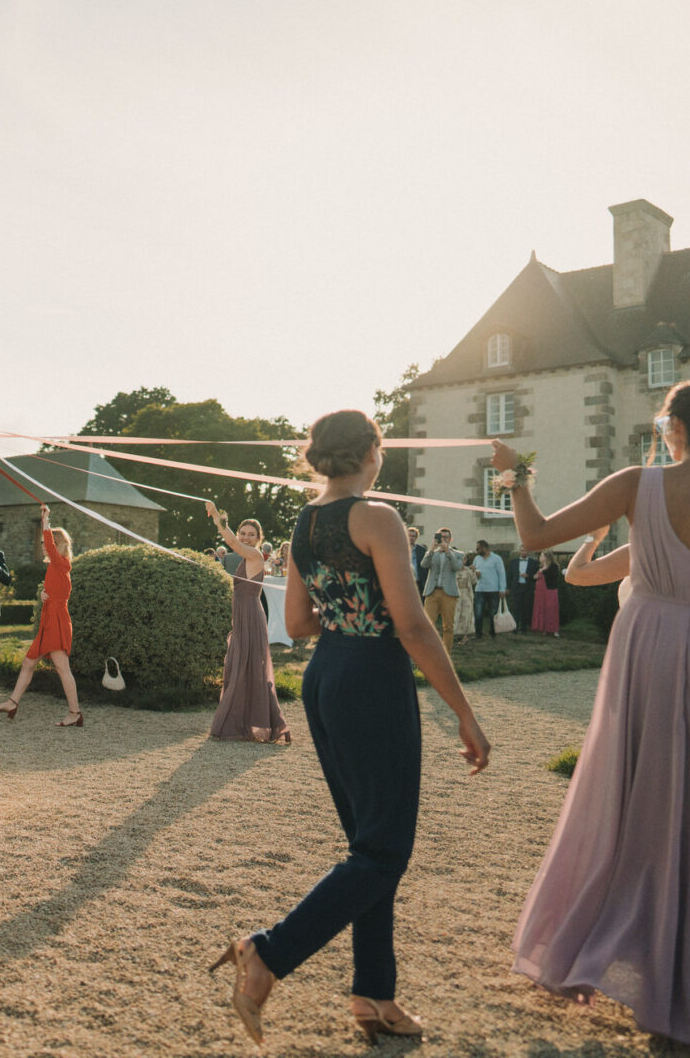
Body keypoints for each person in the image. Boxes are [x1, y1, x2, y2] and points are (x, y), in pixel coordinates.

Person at [212, 409, 489, 1046]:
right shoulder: (378, 517)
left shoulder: (303, 526)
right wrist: (464, 712)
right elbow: (414, 625)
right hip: (371, 679)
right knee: (384, 849)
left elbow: (301, 623)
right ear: (370, 451)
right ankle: (267, 953)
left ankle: (373, 995)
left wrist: (347, 612)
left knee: (370, 848)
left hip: (326, 675)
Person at [499, 377, 690, 1048]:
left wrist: (515, 477)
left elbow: (534, 534)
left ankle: (637, 945)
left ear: (674, 428)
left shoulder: (639, 483)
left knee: (643, 797)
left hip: (651, 648)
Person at [204, 505, 290, 743]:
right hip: (242, 615)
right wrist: (221, 522)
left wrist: (218, 520)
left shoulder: (254, 555)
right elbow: (233, 542)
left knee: (247, 665)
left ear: (259, 538)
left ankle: (256, 723)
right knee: (242, 665)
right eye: (244, 533)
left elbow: (231, 543)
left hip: (250, 615)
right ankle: (244, 722)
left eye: (251, 534)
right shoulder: (245, 555)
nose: (246, 537)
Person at [0, 504, 83, 727]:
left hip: (56, 620)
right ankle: (13, 702)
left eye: (48, 544)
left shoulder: (61, 562)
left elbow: (53, 555)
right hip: (49, 618)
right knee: (28, 663)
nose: (44, 547)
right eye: (44, 545)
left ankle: (75, 713)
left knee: (62, 667)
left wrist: (45, 520)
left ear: (59, 545)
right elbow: (59, 590)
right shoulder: (56, 566)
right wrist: (46, 595)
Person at [420, 527, 464, 652]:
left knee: (448, 626)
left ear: (450, 539)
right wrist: (432, 549)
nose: (443, 539)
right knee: (429, 624)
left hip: (449, 593)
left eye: (445, 537)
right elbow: (423, 565)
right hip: (432, 592)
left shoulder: (458, 554)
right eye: (441, 537)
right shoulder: (431, 553)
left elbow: (456, 567)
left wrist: (448, 552)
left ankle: (446, 654)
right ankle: (428, 652)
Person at [471, 540, 507, 640]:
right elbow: (473, 575)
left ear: (485, 548)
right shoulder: (477, 559)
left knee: (493, 613)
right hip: (479, 589)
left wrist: (502, 589)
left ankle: (493, 632)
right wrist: (473, 572)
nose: (476, 550)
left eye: (478, 548)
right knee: (478, 612)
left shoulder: (496, 559)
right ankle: (478, 633)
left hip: (493, 589)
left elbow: (502, 574)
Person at [530, 550, 562, 636]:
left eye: (541, 555)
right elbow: (535, 577)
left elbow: (553, 575)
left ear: (546, 557)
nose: (540, 557)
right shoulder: (540, 566)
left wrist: (542, 571)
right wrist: (535, 576)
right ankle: (544, 628)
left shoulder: (553, 566)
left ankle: (554, 629)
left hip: (550, 590)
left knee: (551, 609)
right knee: (542, 609)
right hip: (540, 591)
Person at [510, 547, 538, 633]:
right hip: (517, 587)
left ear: (528, 551)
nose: (523, 552)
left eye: (525, 550)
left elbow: (536, 576)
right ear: (519, 551)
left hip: (527, 587)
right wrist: (508, 587)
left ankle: (524, 628)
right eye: (522, 550)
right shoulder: (513, 562)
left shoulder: (533, 563)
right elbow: (509, 576)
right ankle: (515, 627)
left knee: (526, 608)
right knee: (516, 608)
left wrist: (528, 576)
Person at [452, 559, 477, 641]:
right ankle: (455, 633)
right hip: (456, 594)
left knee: (466, 613)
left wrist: (473, 571)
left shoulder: (468, 570)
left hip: (466, 593)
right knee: (456, 613)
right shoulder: (453, 570)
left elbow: (474, 581)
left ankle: (465, 635)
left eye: (464, 559)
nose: (462, 561)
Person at [407, 526, 426, 597]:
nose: (411, 538)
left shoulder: (422, 550)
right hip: (404, 582)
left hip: (418, 583)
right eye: (409, 535)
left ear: (416, 537)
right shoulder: (400, 548)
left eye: (413, 536)